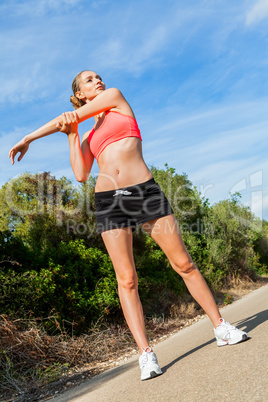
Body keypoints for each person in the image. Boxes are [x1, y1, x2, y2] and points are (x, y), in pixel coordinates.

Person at [9, 70, 249, 380]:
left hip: (144, 192)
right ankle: (146, 354)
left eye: (98, 77)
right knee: (127, 279)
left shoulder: (115, 99)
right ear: (80, 93)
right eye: (89, 80)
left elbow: (63, 117)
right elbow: (81, 174)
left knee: (184, 263)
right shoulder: (88, 133)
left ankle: (221, 327)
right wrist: (71, 134)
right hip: (110, 201)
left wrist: (29, 137)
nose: (98, 80)